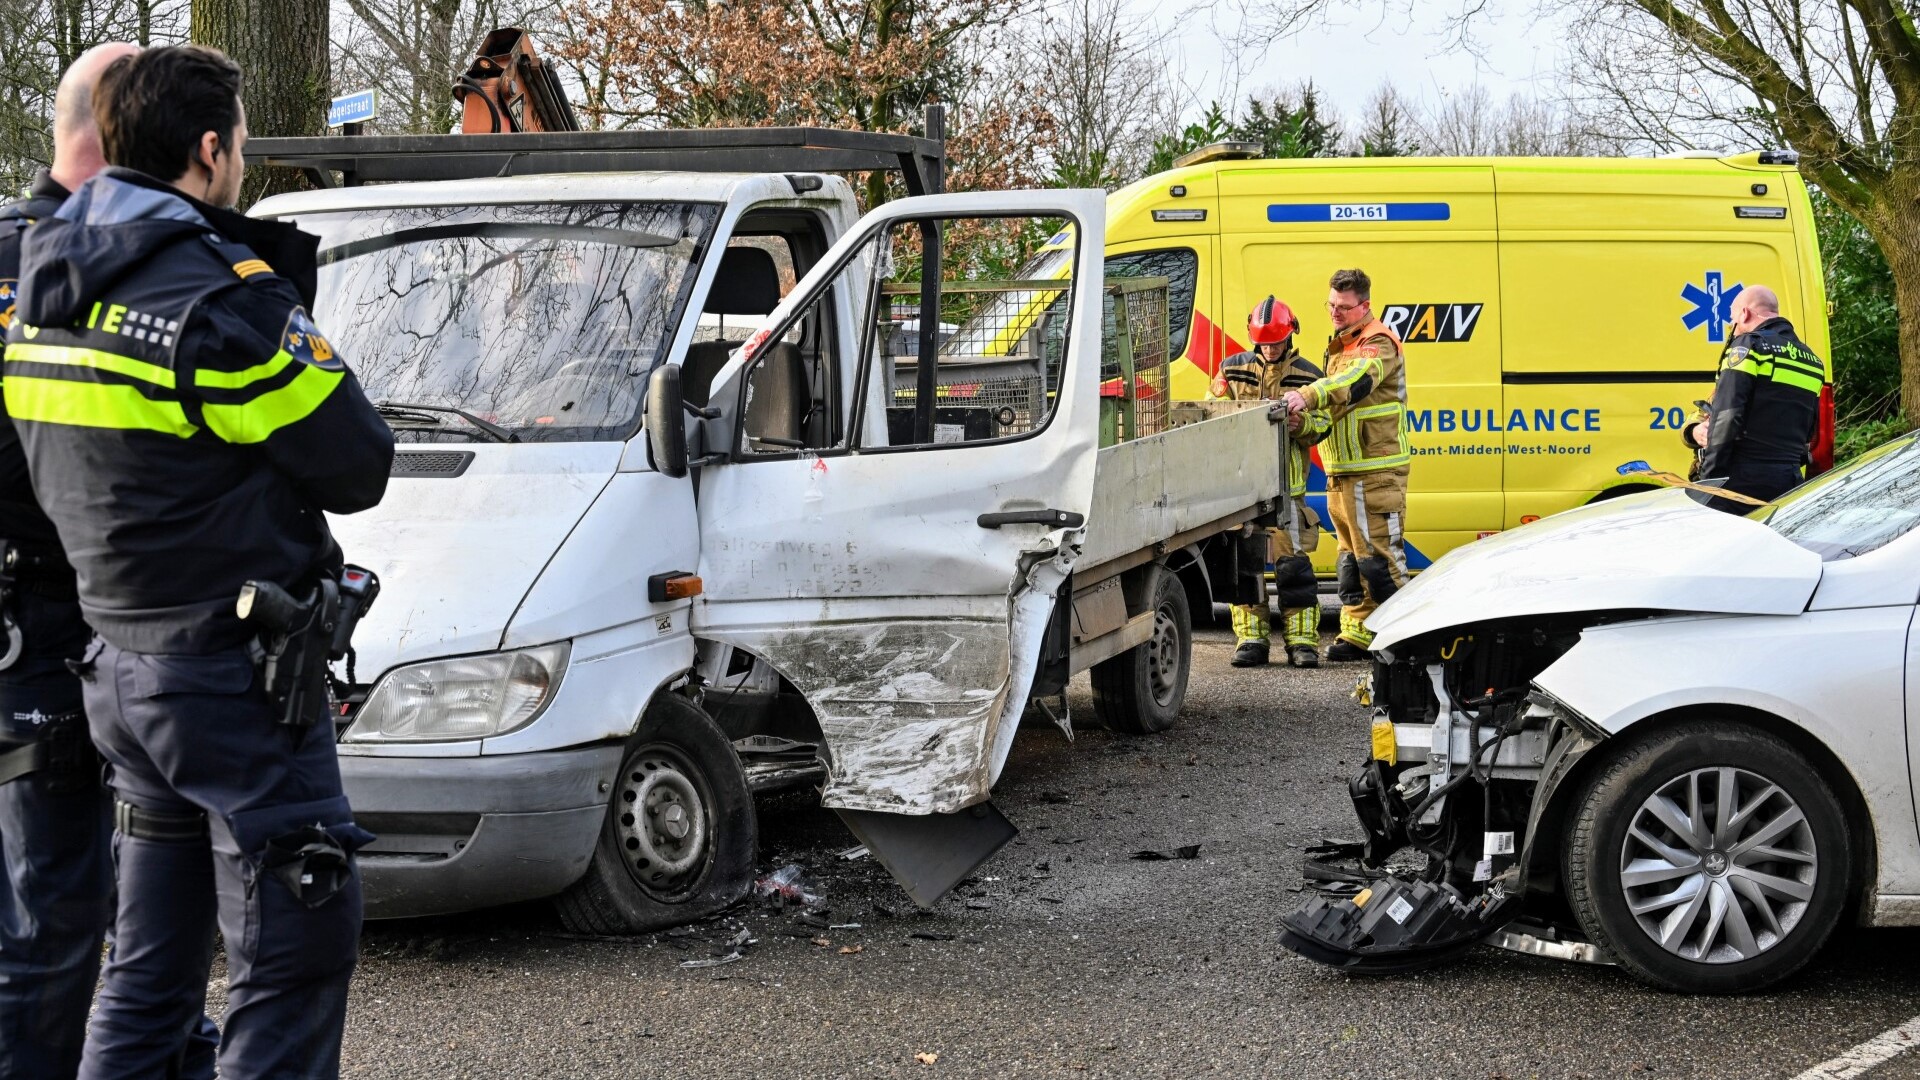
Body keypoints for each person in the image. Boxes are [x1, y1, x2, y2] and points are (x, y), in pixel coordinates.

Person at [5, 45, 393, 1079]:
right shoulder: (218, 302)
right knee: (291, 948)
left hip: (119, 669)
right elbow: (358, 463)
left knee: (148, 970)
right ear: (211, 150)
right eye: (240, 152)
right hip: (233, 678)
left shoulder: (42, 286)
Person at [1282, 268, 1409, 662]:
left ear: (1365, 305)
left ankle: (1404, 642)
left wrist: (1307, 394)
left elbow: (1354, 383)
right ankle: (1357, 632)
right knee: (1351, 562)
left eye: (1344, 306)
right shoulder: (1341, 344)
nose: (1335, 313)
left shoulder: (1377, 344)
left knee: (1381, 563)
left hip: (1376, 469)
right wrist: (1303, 423)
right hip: (1344, 470)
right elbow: (1339, 410)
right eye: (1332, 305)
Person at [1210, 296, 1330, 668]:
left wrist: (1303, 425)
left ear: (1291, 334)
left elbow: (1324, 423)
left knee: (1294, 572)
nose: (1270, 348)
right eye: (1263, 342)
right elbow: (1211, 415)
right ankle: (1250, 642)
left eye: (1276, 341)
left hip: (1287, 493)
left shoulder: (1310, 377)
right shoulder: (1231, 369)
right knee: (1245, 572)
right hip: (1242, 492)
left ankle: (1302, 644)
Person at [1681, 285, 1827, 513]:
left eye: (1732, 320)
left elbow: (1727, 417)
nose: (1733, 328)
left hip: (1739, 482)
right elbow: (1809, 429)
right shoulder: (1813, 361)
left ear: (1744, 314)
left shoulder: (1749, 346)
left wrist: (1709, 482)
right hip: (1787, 481)